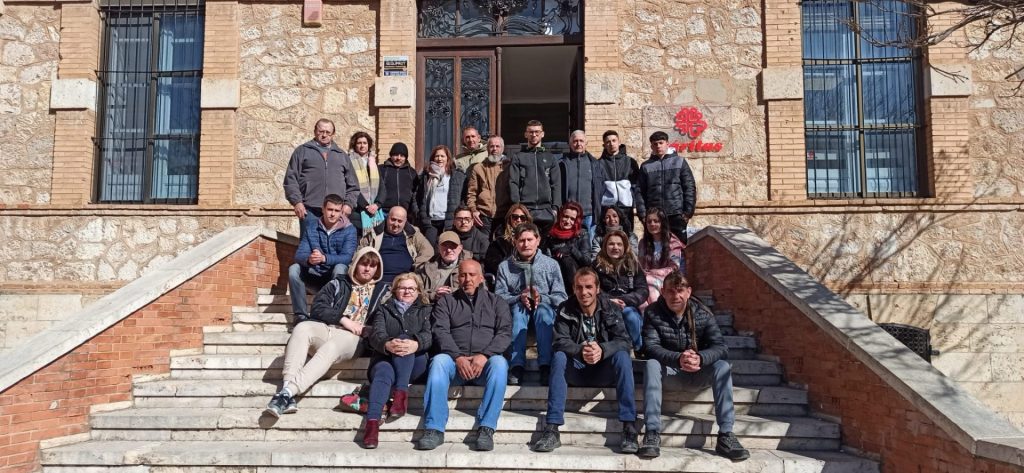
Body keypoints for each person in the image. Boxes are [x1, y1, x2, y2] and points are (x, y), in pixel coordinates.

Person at [641, 271, 749, 461]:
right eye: (671, 291)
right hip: (671, 372)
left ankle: (726, 435)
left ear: (689, 292)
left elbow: (721, 347)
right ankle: (652, 432)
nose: (676, 296)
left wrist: (700, 358)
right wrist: (678, 359)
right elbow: (650, 347)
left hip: (699, 372)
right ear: (662, 292)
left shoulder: (702, 313)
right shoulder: (652, 312)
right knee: (651, 364)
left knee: (722, 367)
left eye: (680, 291)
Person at [265, 247, 384, 418]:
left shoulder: (382, 292)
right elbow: (318, 307)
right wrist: (344, 320)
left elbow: (386, 321)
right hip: (330, 328)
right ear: (355, 264)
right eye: (363, 264)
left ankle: (288, 392)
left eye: (372, 266)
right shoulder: (339, 283)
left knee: (332, 346)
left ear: (377, 269)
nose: (367, 269)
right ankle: (286, 390)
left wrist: (368, 329)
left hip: (355, 339)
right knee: (302, 327)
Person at [532, 267, 638, 454]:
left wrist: (602, 350)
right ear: (573, 289)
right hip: (577, 369)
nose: (584, 292)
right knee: (559, 356)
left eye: (589, 287)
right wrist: (581, 351)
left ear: (598, 288)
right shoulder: (565, 308)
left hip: (604, 371)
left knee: (622, 356)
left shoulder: (611, 308)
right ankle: (552, 429)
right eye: (579, 287)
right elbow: (559, 342)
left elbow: (624, 341)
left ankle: (629, 427)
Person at [417, 260, 512, 452]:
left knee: (500, 364)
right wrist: (457, 357)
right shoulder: (447, 302)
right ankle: (434, 428)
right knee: (438, 362)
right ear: (457, 278)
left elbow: (505, 333)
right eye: (463, 275)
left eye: (472, 275)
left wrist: (484, 355)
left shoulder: (497, 302)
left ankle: (486, 428)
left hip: (484, 365)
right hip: (455, 364)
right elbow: (440, 331)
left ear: (481, 278)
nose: (467, 279)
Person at [360, 272, 433, 449]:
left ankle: (401, 392)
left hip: (416, 363)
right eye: (402, 288)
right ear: (395, 291)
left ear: (418, 291)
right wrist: (387, 344)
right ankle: (372, 425)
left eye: (411, 288)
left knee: (404, 339)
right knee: (383, 372)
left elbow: (430, 334)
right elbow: (376, 334)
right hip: (384, 357)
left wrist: (416, 344)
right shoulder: (384, 310)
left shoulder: (426, 310)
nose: (407, 291)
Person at [495, 222, 567, 386]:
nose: (525, 244)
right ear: (515, 242)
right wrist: (518, 298)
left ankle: (545, 365)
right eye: (521, 240)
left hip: (544, 310)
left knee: (543, 312)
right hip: (518, 310)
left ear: (538, 240)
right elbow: (498, 297)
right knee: (519, 311)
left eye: (529, 240)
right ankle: (516, 365)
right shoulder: (505, 267)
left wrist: (541, 298)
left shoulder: (551, 265)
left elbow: (561, 297)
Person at [283, 118, 359, 235]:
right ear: (315, 131)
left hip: (336, 212)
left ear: (333, 134)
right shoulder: (302, 151)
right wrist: (297, 202)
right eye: (321, 131)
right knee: (310, 245)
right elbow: (290, 180)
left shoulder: (341, 155)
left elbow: (353, 186)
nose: (324, 135)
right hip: (309, 211)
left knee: (334, 245)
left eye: (328, 132)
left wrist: (349, 204)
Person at [288, 194, 358, 321]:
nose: (333, 214)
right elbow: (299, 254)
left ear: (341, 212)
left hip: (334, 277)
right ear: (323, 209)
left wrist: (324, 258)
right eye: (330, 209)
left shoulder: (349, 230)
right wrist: (309, 259)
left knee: (341, 268)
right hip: (315, 274)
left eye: (337, 211)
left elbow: (347, 257)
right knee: (294, 269)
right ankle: (301, 316)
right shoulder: (311, 227)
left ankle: (334, 314)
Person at [359, 206, 434, 298]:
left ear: (405, 221)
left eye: (400, 221)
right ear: (387, 218)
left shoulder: (413, 234)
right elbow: (360, 253)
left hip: (404, 282)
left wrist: (414, 267)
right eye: (393, 219)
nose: (396, 224)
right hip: (378, 280)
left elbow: (428, 251)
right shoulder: (374, 233)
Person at [637, 131, 697, 243]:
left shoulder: (680, 162)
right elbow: (640, 191)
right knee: (655, 247)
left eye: (661, 143)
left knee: (679, 247)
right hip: (654, 216)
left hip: (676, 214)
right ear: (651, 146)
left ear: (667, 144)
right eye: (655, 144)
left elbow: (689, 187)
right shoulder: (646, 166)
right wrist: (643, 215)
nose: (658, 146)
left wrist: (687, 213)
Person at [593, 230, 648, 352]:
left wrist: (624, 300)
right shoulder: (596, 266)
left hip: (627, 305)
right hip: (604, 306)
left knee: (631, 316)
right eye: (611, 244)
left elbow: (643, 290)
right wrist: (609, 301)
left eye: (619, 244)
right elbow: (594, 289)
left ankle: (638, 349)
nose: (615, 247)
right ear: (605, 246)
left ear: (625, 247)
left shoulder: (634, 265)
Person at [509, 120, 561, 234]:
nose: (534, 135)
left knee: (545, 242)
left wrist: (555, 208)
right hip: (525, 210)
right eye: (531, 132)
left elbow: (556, 184)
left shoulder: (551, 158)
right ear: (526, 134)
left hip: (546, 210)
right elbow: (513, 183)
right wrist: (517, 206)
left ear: (542, 134)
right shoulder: (518, 157)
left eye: (537, 132)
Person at [414, 145, 465, 247]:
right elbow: (416, 196)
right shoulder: (426, 176)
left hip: (448, 221)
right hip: (430, 221)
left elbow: (462, 197)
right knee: (429, 249)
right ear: (433, 158)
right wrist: (418, 213)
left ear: (448, 158)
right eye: (437, 156)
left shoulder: (456, 176)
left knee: (447, 248)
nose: (439, 159)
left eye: (442, 156)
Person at [557, 131, 604, 234]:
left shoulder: (595, 164)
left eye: (581, 141)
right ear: (570, 144)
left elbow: (601, 189)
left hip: (589, 215)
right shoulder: (561, 163)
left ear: (586, 143)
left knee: (589, 243)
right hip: (568, 215)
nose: (578, 144)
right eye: (575, 141)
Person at [638, 208, 684, 310]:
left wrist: (654, 272)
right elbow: (640, 265)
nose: (652, 224)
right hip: (647, 279)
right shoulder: (643, 243)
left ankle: (657, 312)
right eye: (649, 222)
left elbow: (674, 267)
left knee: (647, 281)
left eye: (656, 221)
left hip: (668, 279)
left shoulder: (673, 242)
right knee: (641, 295)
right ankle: (648, 315)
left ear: (663, 223)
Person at [543, 201, 591, 296]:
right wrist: (557, 256)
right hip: (555, 274)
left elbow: (587, 261)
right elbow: (545, 260)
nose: (568, 221)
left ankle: (574, 294)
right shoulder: (550, 235)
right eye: (565, 216)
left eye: (572, 219)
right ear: (560, 216)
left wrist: (571, 249)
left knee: (567, 259)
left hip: (577, 275)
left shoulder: (582, 234)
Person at [466, 136, 511, 237]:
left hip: (504, 215)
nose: (494, 149)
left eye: (497, 146)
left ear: (502, 148)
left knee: (502, 244)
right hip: (484, 215)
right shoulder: (478, 168)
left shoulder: (509, 167)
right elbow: (471, 193)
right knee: (484, 244)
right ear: (487, 148)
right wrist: (473, 210)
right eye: (491, 146)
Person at [598, 130, 641, 233]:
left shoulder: (630, 162)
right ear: (604, 145)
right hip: (607, 208)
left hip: (626, 208)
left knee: (627, 235)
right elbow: (598, 188)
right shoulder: (599, 163)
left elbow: (636, 186)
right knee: (609, 237)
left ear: (619, 142)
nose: (611, 144)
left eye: (614, 140)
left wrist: (635, 205)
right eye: (608, 142)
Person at [417, 231, 472, 302]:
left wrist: (452, 293)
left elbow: (477, 291)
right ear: (438, 248)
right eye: (445, 246)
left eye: (453, 246)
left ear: (460, 248)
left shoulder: (471, 267)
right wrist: (434, 295)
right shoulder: (426, 268)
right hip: (430, 305)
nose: (448, 250)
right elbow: (415, 292)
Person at [482, 204, 532, 276]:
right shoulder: (499, 240)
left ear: (527, 220)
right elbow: (492, 264)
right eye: (515, 217)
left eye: (522, 217)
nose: (519, 220)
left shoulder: (534, 238)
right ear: (509, 218)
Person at [347, 131, 381, 237]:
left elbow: (382, 186)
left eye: (365, 143)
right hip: (357, 210)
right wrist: (366, 205)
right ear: (354, 145)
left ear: (369, 145)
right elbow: (350, 186)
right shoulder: (349, 162)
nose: (362, 146)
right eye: (359, 143)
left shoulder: (373, 163)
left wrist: (377, 204)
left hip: (374, 210)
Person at [375, 142, 418, 215]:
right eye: (395, 155)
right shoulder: (381, 169)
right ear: (391, 155)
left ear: (406, 158)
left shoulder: (412, 172)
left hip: (405, 213)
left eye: (402, 156)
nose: (398, 158)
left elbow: (415, 193)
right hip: (384, 212)